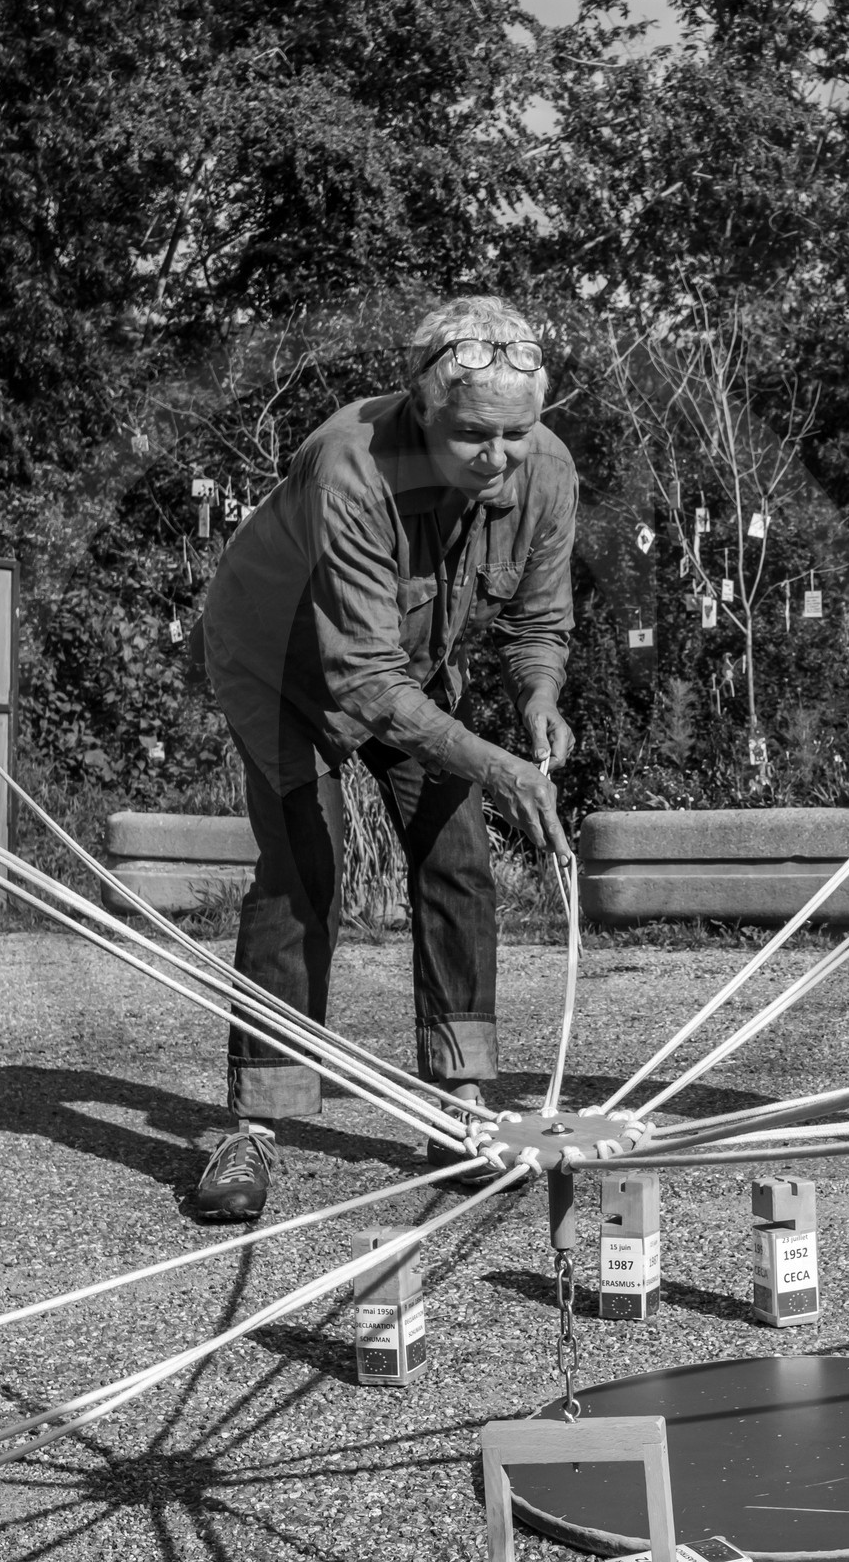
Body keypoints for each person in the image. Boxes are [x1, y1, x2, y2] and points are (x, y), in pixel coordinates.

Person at [196, 295, 576, 1220]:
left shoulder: (545, 469)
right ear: (422, 408)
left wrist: (538, 696)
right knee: (305, 865)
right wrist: (497, 765)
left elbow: (538, 619)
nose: (498, 459)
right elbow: (363, 689)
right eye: (475, 436)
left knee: (457, 851)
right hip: (278, 664)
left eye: (516, 436)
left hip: (406, 665)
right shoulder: (349, 466)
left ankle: (458, 1100)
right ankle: (256, 1124)